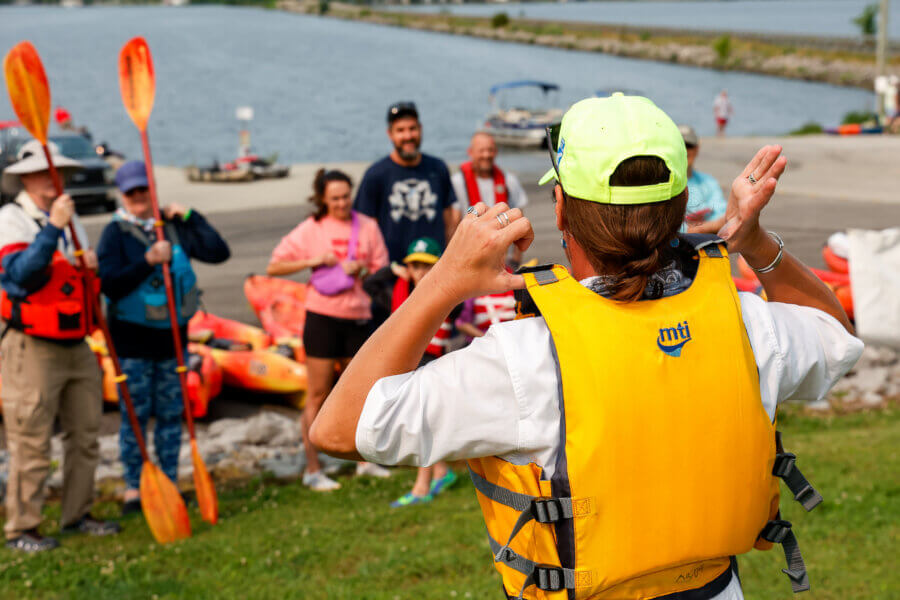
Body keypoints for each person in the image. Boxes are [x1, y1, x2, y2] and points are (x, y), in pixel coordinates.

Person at [311, 95, 864, 599]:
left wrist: (445, 280)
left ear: (560, 208)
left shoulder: (524, 357)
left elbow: (338, 428)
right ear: (680, 205)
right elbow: (833, 334)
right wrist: (754, 240)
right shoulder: (746, 323)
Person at [0, 140, 120, 552]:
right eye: (50, 173)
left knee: (86, 434)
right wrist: (52, 228)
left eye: (62, 174)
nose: (59, 180)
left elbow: (73, 280)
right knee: (31, 440)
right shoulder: (11, 220)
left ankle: (77, 514)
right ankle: (22, 529)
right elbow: (20, 276)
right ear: (28, 178)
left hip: (76, 343)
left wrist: (89, 268)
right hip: (31, 347)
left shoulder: (74, 222)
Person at [96, 161, 229, 514]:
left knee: (171, 416)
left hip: (172, 342)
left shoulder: (170, 225)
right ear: (122, 195)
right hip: (132, 345)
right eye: (132, 193)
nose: (140, 197)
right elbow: (109, 283)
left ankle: (168, 482)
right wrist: (148, 261)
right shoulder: (115, 234)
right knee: (135, 418)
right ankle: (134, 489)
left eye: (144, 190)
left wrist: (189, 216)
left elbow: (218, 252)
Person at [268, 168, 390, 491]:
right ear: (323, 199)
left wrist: (363, 269)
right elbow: (275, 265)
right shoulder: (311, 229)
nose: (341, 203)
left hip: (359, 316)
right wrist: (315, 261)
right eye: (334, 198)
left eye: (346, 196)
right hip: (322, 317)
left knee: (361, 393)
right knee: (318, 394)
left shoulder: (368, 226)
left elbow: (382, 269)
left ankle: (364, 461)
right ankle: (312, 469)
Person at [361, 237, 460, 507]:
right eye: (415, 266)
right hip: (408, 363)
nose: (421, 272)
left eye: (428, 266)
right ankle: (442, 471)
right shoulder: (398, 292)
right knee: (421, 420)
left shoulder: (447, 294)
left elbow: (459, 305)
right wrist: (393, 270)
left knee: (421, 423)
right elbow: (369, 284)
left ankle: (421, 487)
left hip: (431, 364)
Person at [354, 102, 458, 265]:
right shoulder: (375, 174)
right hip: (393, 269)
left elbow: (450, 218)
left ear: (420, 129)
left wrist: (450, 258)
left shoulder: (438, 168)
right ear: (390, 134)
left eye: (412, 128)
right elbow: (364, 227)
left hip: (434, 266)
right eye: (400, 130)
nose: (408, 136)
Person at [452, 131, 528, 265]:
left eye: (490, 150)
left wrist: (516, 259)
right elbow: (453, 224)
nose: (486, 155)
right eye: (481, 150)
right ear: (470, 152)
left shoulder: (509, 181)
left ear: (496, 152)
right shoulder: (457, 183)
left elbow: (520, 221)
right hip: (470, 260)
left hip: (503, 260)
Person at [679, 125, 727, 234]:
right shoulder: (662, 183)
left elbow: (723, 218)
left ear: (697, 149)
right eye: (680, 145)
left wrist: (689, 229)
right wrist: (705, 227)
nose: (685, 150)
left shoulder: (709, 182)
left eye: (688, 145)